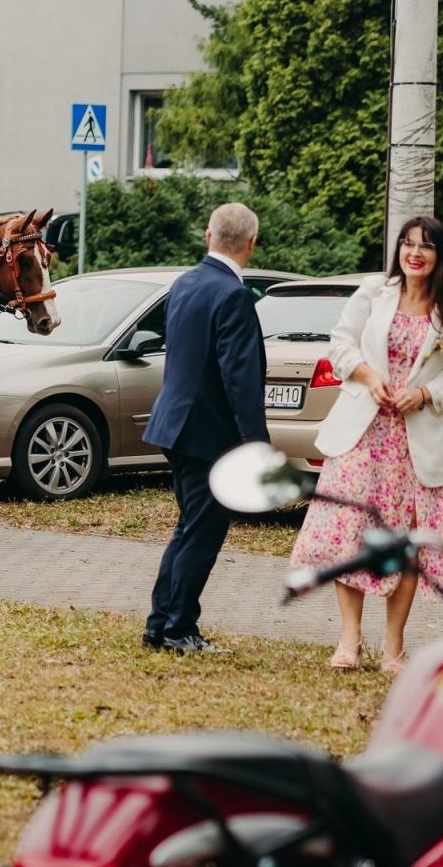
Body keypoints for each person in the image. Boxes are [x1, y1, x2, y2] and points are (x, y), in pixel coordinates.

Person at [290, 215, 443, 675]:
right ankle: (349, 639)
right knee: (350, 535)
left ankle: (394, 646)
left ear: (440, 256)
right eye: (408, 244)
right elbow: (340, 344)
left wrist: (426, 393)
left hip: (414, 442)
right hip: (362, 434)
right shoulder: (374, 292)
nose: (415, 253)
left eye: (425, 247)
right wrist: (369, 376)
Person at [143, 203, 268, 654]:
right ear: (251, 244)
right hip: (208, 434)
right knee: (202, 534)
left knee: (188, 529)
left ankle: (161, 625)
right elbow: (241, 378)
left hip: (176, 425)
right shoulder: (232, 295)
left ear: (207, 235)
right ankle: (178, 629)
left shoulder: (185, 283)